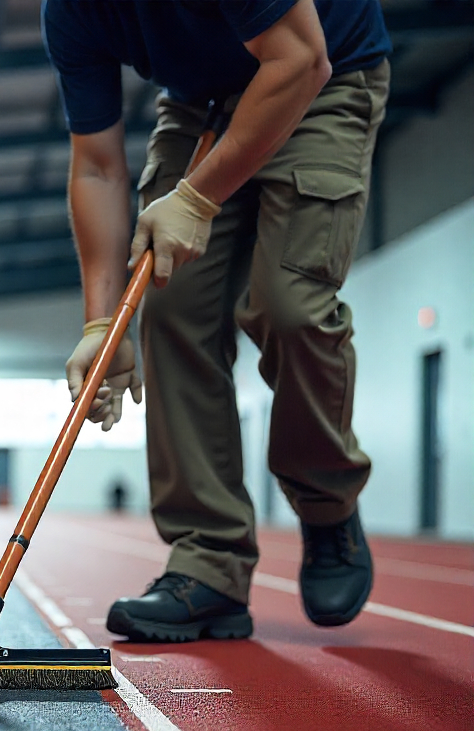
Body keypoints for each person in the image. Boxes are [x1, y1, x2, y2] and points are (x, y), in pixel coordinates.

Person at [43, 0, 390, 641]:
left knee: (289, 303)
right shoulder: (69, 12)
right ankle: (210, 564)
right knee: (171, 310)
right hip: (201, 103)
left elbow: (300, 58)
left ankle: (326, 502)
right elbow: (95, 164)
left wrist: (197, 198)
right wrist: (100, 327)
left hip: (323, 76)